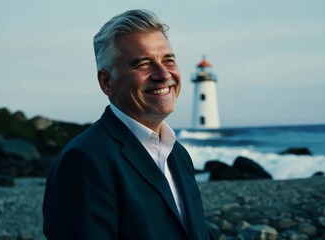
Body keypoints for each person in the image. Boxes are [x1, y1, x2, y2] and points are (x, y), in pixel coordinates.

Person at [42, 9, 213, 240]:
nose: (163, 74)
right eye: (143, 64)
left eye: (168, 60)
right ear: (106, 82)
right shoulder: (85, 161)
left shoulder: (178, 154)